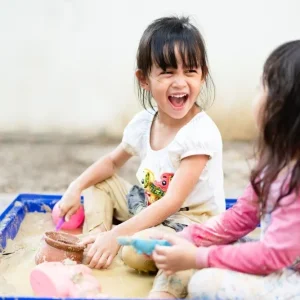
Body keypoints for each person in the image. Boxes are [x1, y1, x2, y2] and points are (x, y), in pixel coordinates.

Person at [58, 16, 225, 275]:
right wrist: (75, 186)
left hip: (189, 225)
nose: (180, 82)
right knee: (98, 183)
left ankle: (111, 242)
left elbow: (172, 202)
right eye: (168, 72)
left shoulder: (200, 134)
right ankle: (94, 240)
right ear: (144, 79)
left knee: (133, 253)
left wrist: (118, 234)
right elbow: (112, 162)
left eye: (190, 71)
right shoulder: (143, 122)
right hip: (149, 206)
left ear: (202, 76)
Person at [151, 40, 300, 299]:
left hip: (291, 279)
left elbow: (272, 255)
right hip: (280, 261)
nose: (257, 95)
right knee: (199, 251)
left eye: (262, 87)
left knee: (205, 283)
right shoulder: (275, 163)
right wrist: (190, 238)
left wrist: (199, 257)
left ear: (283, 107)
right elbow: (241, 217)